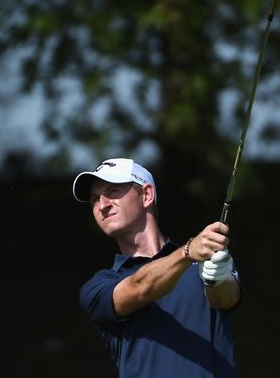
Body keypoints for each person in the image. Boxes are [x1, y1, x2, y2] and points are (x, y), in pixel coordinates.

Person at [73, 157, 242, 377]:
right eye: (95, 199)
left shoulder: (204, 260)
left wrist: (216, 278)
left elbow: (227, 298)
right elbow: (139, 288)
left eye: (113, 192)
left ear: (146, 195)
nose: (102, 205)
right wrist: (187, 253)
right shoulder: (99, 287)